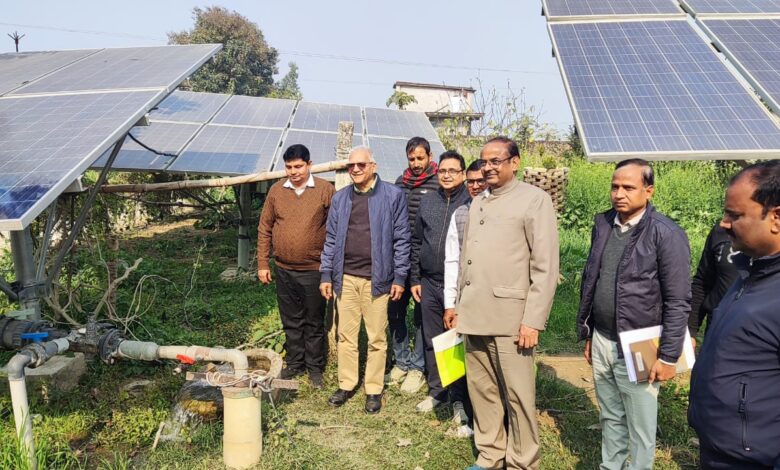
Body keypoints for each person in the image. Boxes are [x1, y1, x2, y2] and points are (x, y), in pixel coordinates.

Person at [448, 136, 559, 470]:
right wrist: (458, 305)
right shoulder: (478, 201)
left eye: (495, 161)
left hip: (512, 318)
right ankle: (490, 454)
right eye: (484, 161)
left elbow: (545, 267)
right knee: (482, 390)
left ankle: (523, 461)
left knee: (517, 395)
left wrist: (533, 320)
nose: (488, 167)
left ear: (515, 162)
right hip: (475, 313)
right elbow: (466, 260)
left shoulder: (534, 200)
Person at [577, 158, 690, 470]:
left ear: (648, 191)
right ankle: (611, 465)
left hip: (641, 343)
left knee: (640, 422)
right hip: (602, 337)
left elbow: (678, 300)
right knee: (610, 413)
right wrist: (589, 331)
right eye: (615, 187)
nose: (619, 194)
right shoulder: (604, 224)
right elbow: (592, 279)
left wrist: (668, 356)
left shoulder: (666, 233)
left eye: (628, 187)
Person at [689, 160, 780, 469]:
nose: (723, 223)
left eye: (735, 215)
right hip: (720, 450)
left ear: (776, 218)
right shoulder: (750, 273)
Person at [319, 146, 410, 414]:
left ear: (373, 166)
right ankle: (347, 384)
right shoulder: (341, 198)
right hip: (345, 277)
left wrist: (400, 276)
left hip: (377, 279)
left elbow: (402, 239)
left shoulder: (393, 196)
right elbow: (331, 239)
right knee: (346, 336)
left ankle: (373, 389)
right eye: (351, 165)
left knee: (376, 337)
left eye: (361, 164)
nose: (356, 169)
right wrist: (326, 273)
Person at [257, 144, 335, 388]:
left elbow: (335, 230)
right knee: (291, 320)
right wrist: (263, 263)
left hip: (314, 270)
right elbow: (265, 227)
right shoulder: (277, 191)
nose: (294, 172)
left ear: (309, 165)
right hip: (284, 269)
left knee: (313, 320)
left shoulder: (325, 190)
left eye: (299, 166)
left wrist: (329, 269)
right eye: (289, 167)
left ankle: (315, 368)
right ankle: (295, 363)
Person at [408, 151, 471, 419]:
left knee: (456, 343)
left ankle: (459, 399)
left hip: (458, 287)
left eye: (452, 171)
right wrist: (415, 278)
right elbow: (416, 241)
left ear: (463, 174)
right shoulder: (428, 201)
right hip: (429, 283)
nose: (446, 175)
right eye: (442, 171)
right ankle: (437, 392)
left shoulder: (471, 202)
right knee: (432, 340)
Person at [387, 136, 439, 393]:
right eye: (412, 159)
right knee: (395, 312)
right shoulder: (400, 183)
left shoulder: (439, 183)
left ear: (430, 156)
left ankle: (418, 367)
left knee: (420, 317)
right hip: (399, 260)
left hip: (424, 262)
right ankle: (401, 361)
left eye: (420, 158)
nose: (416, 163)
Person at [688, 223, 740, 347]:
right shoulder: (721, 231)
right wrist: (690, 331)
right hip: (717, 333)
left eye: (736, 214)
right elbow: (703, 282)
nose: (724, 222)